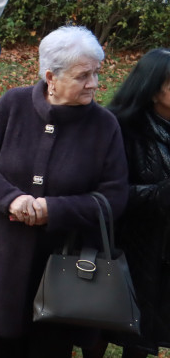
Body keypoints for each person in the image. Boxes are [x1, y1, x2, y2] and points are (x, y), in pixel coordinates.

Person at [0, 26, 129, 358]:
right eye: (84, 76)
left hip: (64, 270)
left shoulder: (104, 125)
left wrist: (53, 209)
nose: (95, 84)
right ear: (51, 77)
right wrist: (13, 198)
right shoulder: (14, 104)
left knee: (50, 348)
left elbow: (114, 197)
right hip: (5, 259)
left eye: (96, 73)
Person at [86, 49, 170, 358]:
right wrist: (160, 194)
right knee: (102, 326)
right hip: (121, 247)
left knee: (143, 333)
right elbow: (105, 192)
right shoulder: (120, 128)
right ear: (151, 91)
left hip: (161, 254)